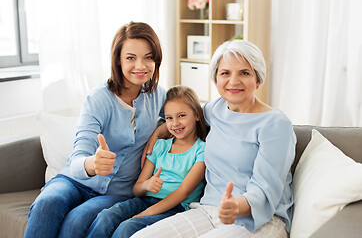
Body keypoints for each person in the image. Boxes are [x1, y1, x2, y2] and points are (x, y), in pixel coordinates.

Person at [133, 40, 296, 238]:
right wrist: (158, 133)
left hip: (260, 219)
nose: (233, 81)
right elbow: (184, 120)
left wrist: (236, 205)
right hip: (207, 210)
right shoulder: (214, 110)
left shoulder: (275, 124)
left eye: (244, 73)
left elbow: (265, 187)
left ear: (258, 79)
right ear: (216, 78)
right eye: (225, 73)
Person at [24, 21, 167, 238]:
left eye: (148, 57)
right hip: (75, 181)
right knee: (47, 202)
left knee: (77, 220)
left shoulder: (158, 96)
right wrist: (93, 163)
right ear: (118, 60)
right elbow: (78, 156)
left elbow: (189, 114)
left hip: (116, 192)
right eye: (130, 58)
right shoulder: (99, 98)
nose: (141, 65)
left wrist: (160, 130)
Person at [85, 85, 207, 238]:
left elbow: (184, 192)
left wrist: (147, 213)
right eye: (169, 118)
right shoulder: (160, 146)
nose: (175, 123)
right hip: (145, 200)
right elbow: (137, 189)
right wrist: (146, 185)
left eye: (181, 115)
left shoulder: (201, 150)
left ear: (196, 115)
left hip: (175, 208)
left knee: (127, 228)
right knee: (106, 217)